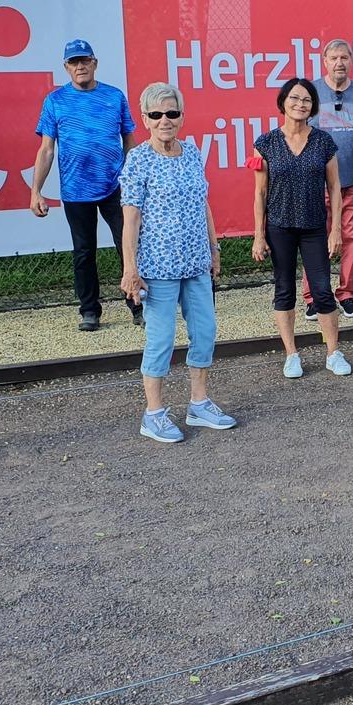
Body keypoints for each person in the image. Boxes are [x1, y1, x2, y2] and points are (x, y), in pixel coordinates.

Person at [120, 83, 234, 443]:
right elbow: (131, 218)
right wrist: (130, 268)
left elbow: (204, 203)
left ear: (182, 116)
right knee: (161, 340)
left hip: (196, 263)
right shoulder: (138, 159)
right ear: (145, 119)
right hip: (158, 268)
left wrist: (214, 248)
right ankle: (153, 414)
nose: (164, 120)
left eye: (172, 113)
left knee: (205, 332)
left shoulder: (192, 153)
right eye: (156, 114)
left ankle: (198, 404)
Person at [30, 38, 141, 332]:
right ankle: (89, 311)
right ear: (66, 67)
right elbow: (46, 150)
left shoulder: (114, 97)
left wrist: (134, 179)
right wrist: (35, 191)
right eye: (74, 62)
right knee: (83, 252)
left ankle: (138, 303)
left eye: (85, 60)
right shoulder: (55, 101)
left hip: (115, 186)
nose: (80, 66)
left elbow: (129, 141)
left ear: (95, 63)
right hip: (75, 189)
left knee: (128, 245)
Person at [253, 78, 352, 378]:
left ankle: (333, 353)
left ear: (313, 106)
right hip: (279, 227)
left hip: (314, 227)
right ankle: (291, 355)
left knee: (322, 290)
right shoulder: (265, 143)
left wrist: (336, 230)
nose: (301, 104)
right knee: (284, 290)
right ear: (283, 103)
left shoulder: (323, 142)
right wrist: (259, 235)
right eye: (295, 98)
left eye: (307, 100)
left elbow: (335, 188)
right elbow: (260, 192)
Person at [307, 38, 353, 317]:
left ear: (351, 61)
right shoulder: (312, 91)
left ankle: (347, 294)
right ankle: (315, 296)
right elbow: (299, 132)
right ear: (324, 61)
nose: (339, 63)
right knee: (316, 237)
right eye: (334, 58)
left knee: (351, 238)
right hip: (319, 183)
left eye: (344, 58)